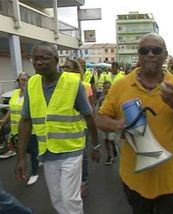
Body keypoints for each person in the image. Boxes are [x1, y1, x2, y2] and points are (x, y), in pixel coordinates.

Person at [96, 33, 173, 214]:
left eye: (156, 50)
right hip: (135, 179)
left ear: (165, 55)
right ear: (139, 55)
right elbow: (100, 118)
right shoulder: (121, 85)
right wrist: (118, 125)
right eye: (144, 50)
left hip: (172, 181)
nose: (150, 54)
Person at [16, 42, 101, 214]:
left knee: (70, 198)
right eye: (35, 59)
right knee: (57, 198)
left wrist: (96, 145)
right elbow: (26, 121)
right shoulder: (31, 84)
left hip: (72, 151)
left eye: (44, 59)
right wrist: (21, 157)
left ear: (55, 60)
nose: (39, 63)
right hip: (47, 152)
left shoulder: (73, 83)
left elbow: (89, 116)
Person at [63, 59, 95, 197]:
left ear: (76, 70)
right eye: (63, 67)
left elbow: (91, 109)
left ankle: (83, 181)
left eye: (68, 67)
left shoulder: (85, 85)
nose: (65, 70)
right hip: (65, 128)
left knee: (82, 156)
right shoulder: (60, 86)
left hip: (82, 127)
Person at [0, 73, 40, 185]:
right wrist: (3, 120)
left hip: (30, 130)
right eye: (19, 80)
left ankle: (34, 172)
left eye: (24, 80)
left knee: (32, 152)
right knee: (20, 152)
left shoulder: (33, 94)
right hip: (15, 130)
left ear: (29, 81)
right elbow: (11, 109)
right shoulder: (15, 93)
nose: (21, 82)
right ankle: (26, 168)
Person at [96, 81, 119, 165]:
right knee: (106, 140)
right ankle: (109, 156)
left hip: (112, 123)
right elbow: (99, 111)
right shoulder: (101, 99)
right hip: (104, 123)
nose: (107, 90)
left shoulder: (115, 99)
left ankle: (114, 147)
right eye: (105, 88)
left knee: (111, 139)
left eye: (108, 87)